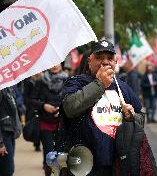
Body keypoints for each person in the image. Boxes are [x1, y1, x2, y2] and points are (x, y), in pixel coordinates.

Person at [61, 40, 143, 176]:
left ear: (116, 62)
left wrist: (132, 116)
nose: (105, 62)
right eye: (99, 58)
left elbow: (140, 118)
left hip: (118, 163)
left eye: (110, 58)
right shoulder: (76, 82)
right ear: (90, 61)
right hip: (85, 165)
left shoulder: (123, 88)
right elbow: (70, 108)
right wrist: (100, 84)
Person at [31, 64, 68, 176]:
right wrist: (44, 106)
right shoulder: (41, 81)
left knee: (61, 153)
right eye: (52, 63)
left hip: (62, 122)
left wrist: (61, 108)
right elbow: (32, 100)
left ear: (61, 65)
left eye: (57, 63)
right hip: (45, 122)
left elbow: (72, 99)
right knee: (49, 153)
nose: (54, 66)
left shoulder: (68, 80)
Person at [0, 87, 22, 176]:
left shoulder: (8, 88)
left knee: (3, 167)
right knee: (8, 169)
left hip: (10, 131)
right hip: (3, 133)